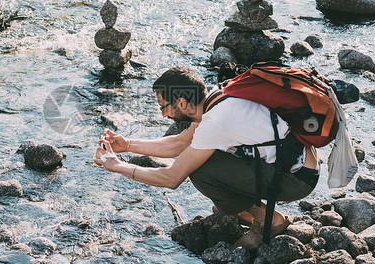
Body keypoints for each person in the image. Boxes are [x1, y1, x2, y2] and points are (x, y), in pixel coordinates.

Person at [94, 66, 319, 249]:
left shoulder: (215, 122)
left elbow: (172, 178)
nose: (163, 115)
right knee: (198, 154)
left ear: (181, 102)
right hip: (300, 161)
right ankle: (241, 208)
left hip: (297, 178)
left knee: (199, 169)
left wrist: (117, 166)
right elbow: (180, 142)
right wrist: (128, 145)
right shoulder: (217, 97)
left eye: (164, 107)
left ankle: (267, 219)